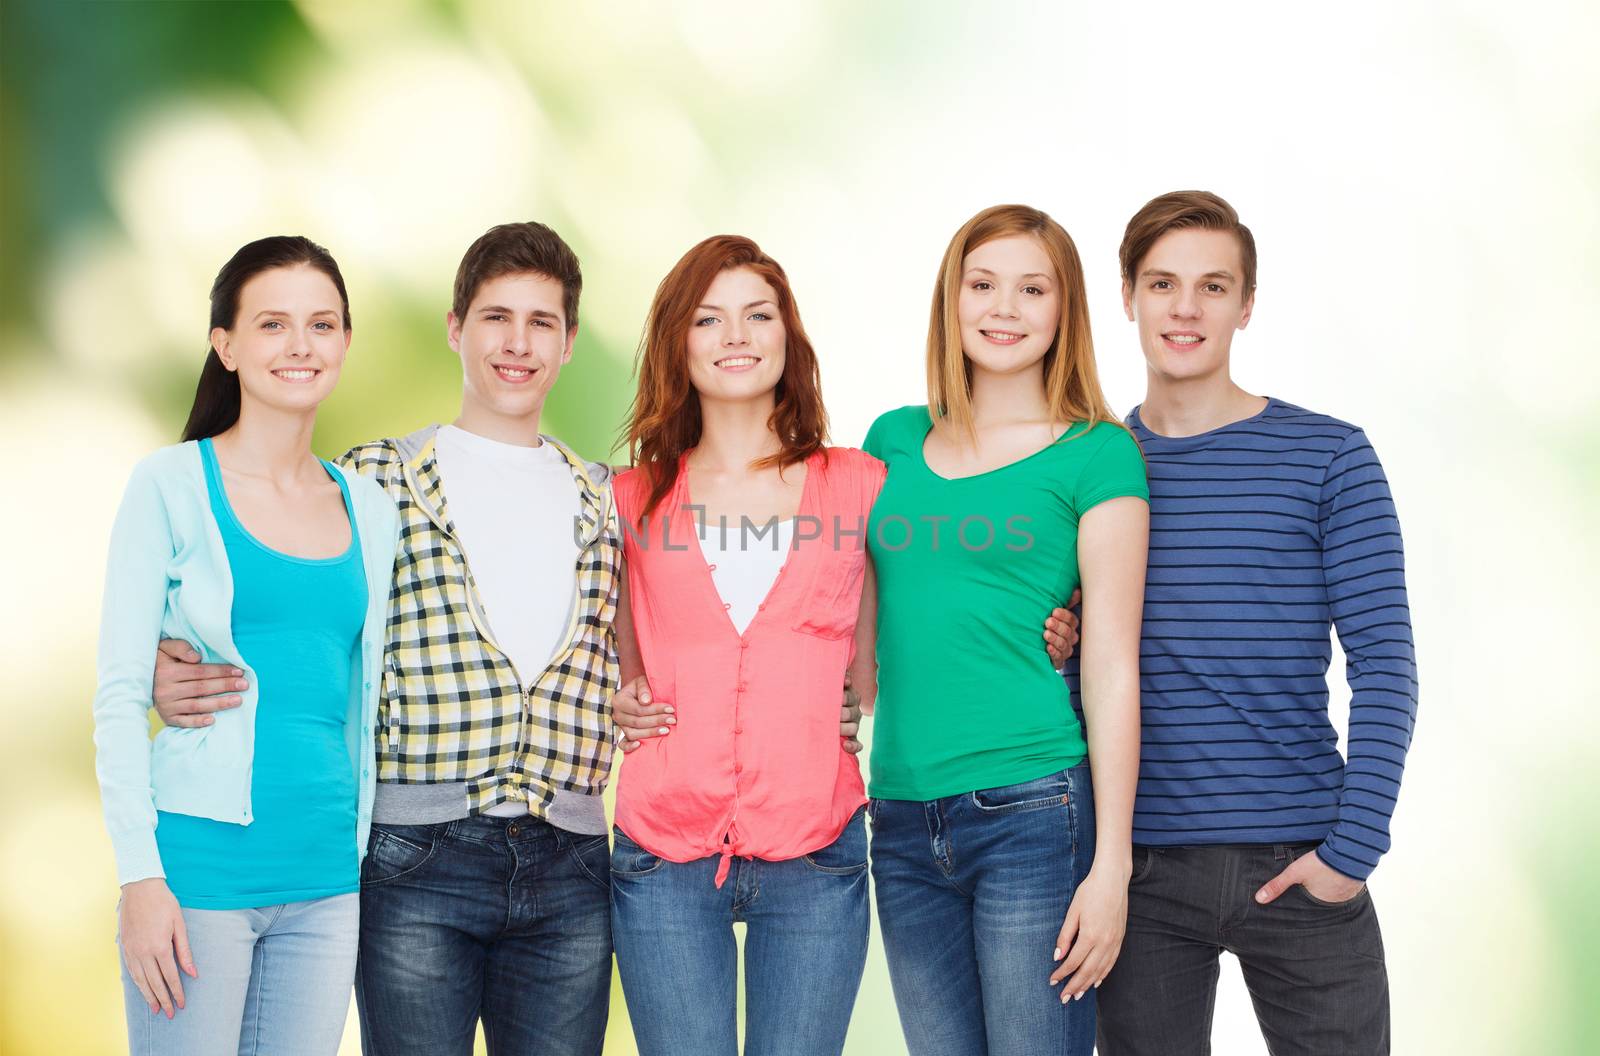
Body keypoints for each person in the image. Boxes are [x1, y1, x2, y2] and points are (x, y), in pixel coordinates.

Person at [149, 222, 620, 1056]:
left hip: (571, 866)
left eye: (542, 322)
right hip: (417, 859)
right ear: (455, 327)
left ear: (570, 341)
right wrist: (166, 658)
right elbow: (288, 603)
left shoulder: (606, 499)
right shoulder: (375, 480)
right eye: (495, 317)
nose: (517, 344)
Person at [1055, 190, 1417, 1055]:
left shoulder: (1330, 457)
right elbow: (1082, 667)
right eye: (1163, 284)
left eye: (1213, 287)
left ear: (1245, 305)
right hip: (1135, 873)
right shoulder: (1086, 468)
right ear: (1128, 297)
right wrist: (1056, 648)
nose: (1185, 308)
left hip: (1300, 858)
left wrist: (1349, 856)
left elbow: (1386, 668)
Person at [93, 236, 400, 1055]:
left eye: (322, 324)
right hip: (199, 876)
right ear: (225, 346)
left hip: (329, 879)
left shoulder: (370, 508)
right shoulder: (169, 486)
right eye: (272, 324)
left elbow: (358, 689)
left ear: (343, 343)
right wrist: (139, 880)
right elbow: (119, 693)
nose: (300, 345)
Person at [862, 204, 1149, 1056]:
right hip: (902, 819)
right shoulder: (890, 442)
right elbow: (848, 627)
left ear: (1065, 312)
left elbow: (1111, 667)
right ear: (951, 301)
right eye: (982, 285)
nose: (1004, 308)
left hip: (1033, 808)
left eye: (1033, 289)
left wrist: (1112, 869)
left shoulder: (1097, 454)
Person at [603, 234, 882, 1056]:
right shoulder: (628, 499)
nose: (736, 335)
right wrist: (619, 696)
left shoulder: (860, 483)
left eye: (758, 315)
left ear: (787, 337)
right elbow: (605, 647)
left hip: (818, 846)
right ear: (676, 345)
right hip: (663, 850)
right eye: (708, 318)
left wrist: (1063, 613)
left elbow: (935, 610)